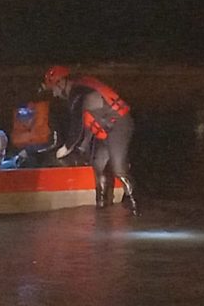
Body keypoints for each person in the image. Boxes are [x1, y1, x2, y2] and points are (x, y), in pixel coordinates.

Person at [42, 65, 138, 214]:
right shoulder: (80, 91)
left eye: (54, 88)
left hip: (119, 125)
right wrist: (81, 148)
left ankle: (133, 202)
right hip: (104, 131)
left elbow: (77, 126)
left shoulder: (78, 93)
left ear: (61, 83)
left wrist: (65, 149)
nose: (54, 94)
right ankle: (101, 206)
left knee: (118, 168)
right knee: (98, 164)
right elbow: (87, 127)